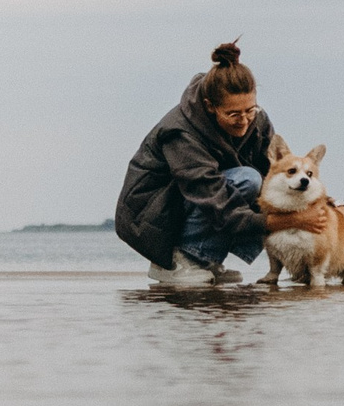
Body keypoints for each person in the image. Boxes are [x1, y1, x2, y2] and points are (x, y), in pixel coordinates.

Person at [115, 42, 290, 284]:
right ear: (210, 106)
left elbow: (282, 174)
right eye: (234, 114)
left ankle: (207, 260)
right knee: (248, 180)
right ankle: (177, 261)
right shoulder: (180, 131)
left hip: (196, 199)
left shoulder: (256, 119)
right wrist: (280, 222)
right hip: (150, 215)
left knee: (264, 184)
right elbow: (211, 194)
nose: (244, 121)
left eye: (250, 110)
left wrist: (326, 206)